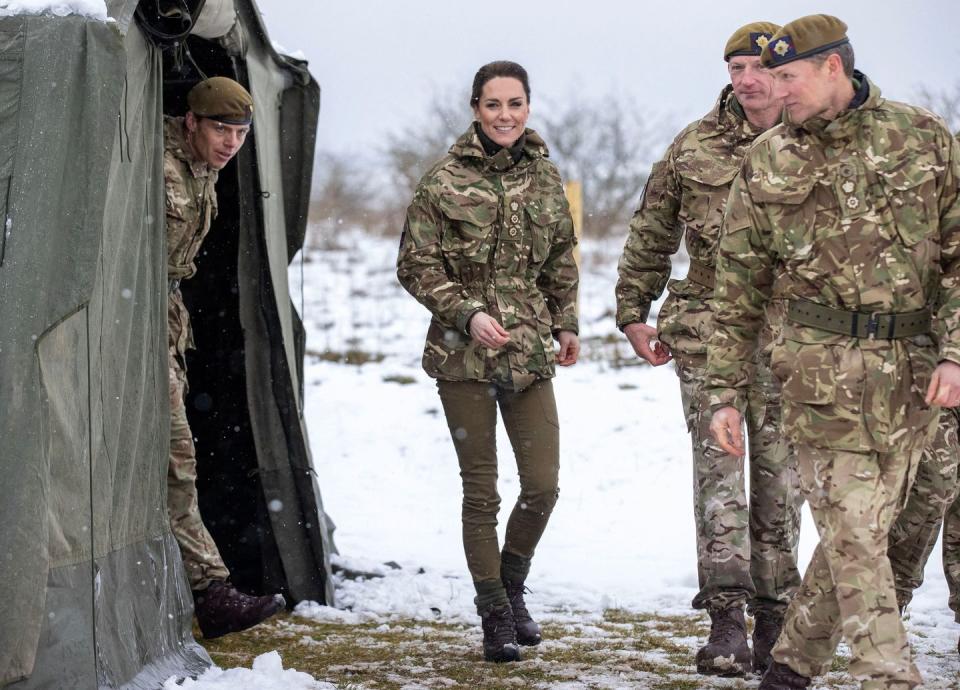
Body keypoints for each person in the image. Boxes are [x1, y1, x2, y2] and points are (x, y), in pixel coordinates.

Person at [705, 14, 960, 689]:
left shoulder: (924, 140)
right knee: (853, 531)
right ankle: (889, 676)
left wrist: (955, 354)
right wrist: (723, 394)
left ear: (832, 68)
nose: (770, 87)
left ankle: (788, 669)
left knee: (861, 537)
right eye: (764, 74)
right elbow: (737, 289)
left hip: (911, 382)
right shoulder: (768, 159)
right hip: (818, 378)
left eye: (785, 75)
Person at [615, 22, 801, 676]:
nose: (747, 80)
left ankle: (778, 620)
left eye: (759, 68)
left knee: (781, 479)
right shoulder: (693, 146)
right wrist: (632, 313)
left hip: (791, 339)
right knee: (720, 475)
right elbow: (651, 231)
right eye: (736, 67)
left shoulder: (815, 140)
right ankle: (727, 620)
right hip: (706, 328)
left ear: (786, 73)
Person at [396, 60, 579, 663]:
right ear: (476, 108)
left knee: (544, 486)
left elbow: (560, 260)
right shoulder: (442, 182)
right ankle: (494, 612)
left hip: (528, 352)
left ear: (529, 107)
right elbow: (415, 266)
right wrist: (467, 312)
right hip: (462, 359)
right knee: (482, 493)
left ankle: (513, 586)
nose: (505, 115)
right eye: (493, 104)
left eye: (515, 104)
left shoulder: (546, 180)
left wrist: (567, 323)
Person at [165, 76, 285, 638]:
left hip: (164, 328)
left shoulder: (205, 172)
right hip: (130, 329)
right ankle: (210, 591)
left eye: (240, 132)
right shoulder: (157, 164)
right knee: (175, 459)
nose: (232, 141)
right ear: (191, 121)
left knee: (174, 458)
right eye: (221, 128)